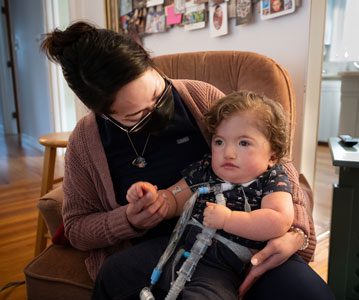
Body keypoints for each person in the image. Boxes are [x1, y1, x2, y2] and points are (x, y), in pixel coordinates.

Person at [40, 21, 334, 300]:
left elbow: (274, 161)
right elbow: (77, 228)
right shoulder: (85, 142)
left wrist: (295, 231)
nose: (159, 114)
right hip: (165, 251)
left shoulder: (200, 97)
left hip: (250, 240)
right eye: (135, 116)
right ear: (103, 113)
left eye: (158, 94)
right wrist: (130, 218)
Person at [126, 91, 295, 298]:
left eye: (243, 143)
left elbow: (278, 220)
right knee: (116, 270)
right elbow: (173, 198)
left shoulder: (272, 178)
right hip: (176, 247)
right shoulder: (206, 169)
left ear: (273, 155)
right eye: (219, 142)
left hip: (223, 264)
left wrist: (228, 220)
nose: (228, 153)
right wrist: (151, 196)